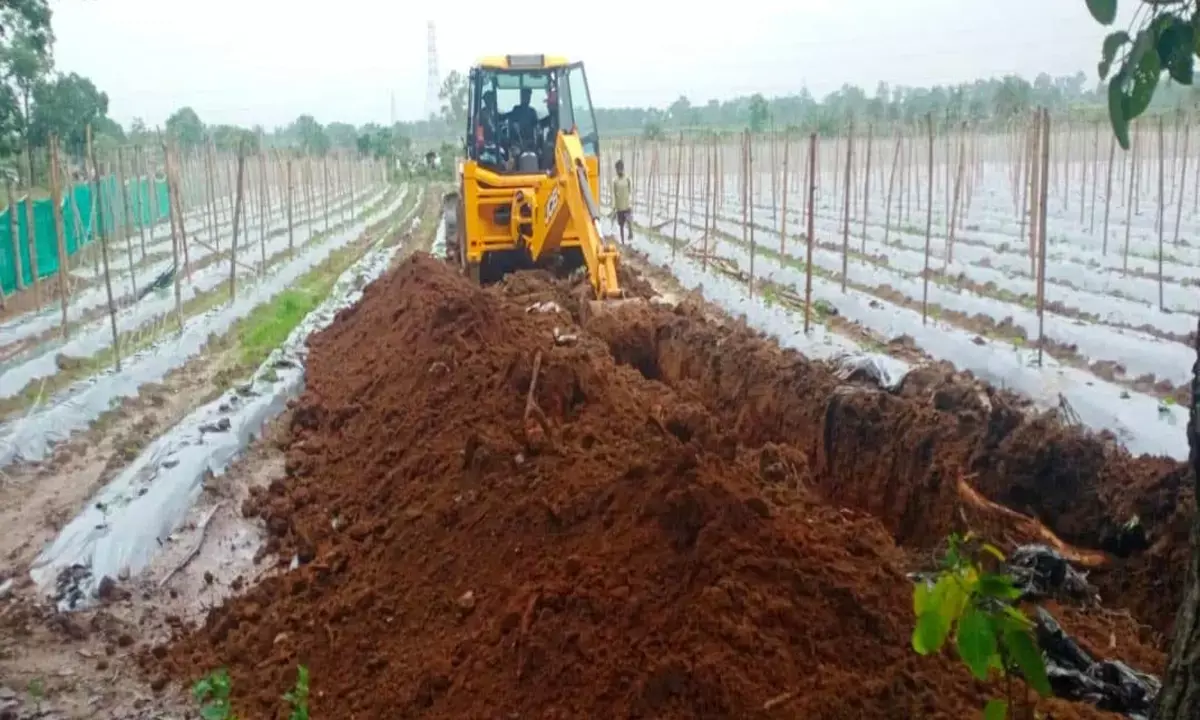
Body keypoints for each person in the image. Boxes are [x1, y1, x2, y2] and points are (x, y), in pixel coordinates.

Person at [612, 159, 632, 244]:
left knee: (630, 222)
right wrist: (614, 207)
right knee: (621, 225)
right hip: (619, 207)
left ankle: (631, 235)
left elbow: (630, 191)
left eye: (620, 168)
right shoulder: (615, 181)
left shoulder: (627, 179)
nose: (618, 170)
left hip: (627, 206)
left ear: (622, 168)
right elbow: (614, 194)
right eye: (617, 169)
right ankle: (623, 242)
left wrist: (630, 203)